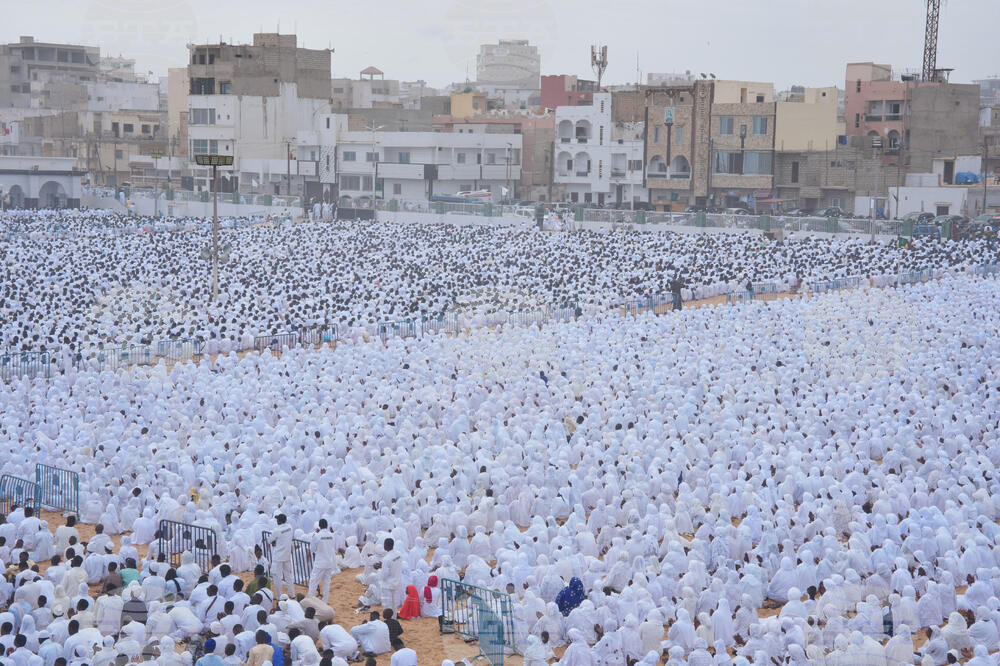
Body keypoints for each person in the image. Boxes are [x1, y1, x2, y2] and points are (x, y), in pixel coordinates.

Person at [307, 520, 338, 604]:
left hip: (320, 562)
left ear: (319, 526)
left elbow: (312, 549)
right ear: (327, 525)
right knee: (326, 583)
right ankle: (325, 601)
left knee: (313, 581)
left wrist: (316, 536)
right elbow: (333, 547)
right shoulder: (332, 535)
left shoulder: (317, 536)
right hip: (329, 562)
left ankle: (310, 600)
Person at [269, 514, 294, 603]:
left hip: (278, 557)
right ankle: (292, 594)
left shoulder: (277, 530)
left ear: (279, 521)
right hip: (287, 554)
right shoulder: (290, 527)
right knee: (288, 575)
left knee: (277, 576)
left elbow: (269, 540)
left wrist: (274, 541)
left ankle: (279, 596)